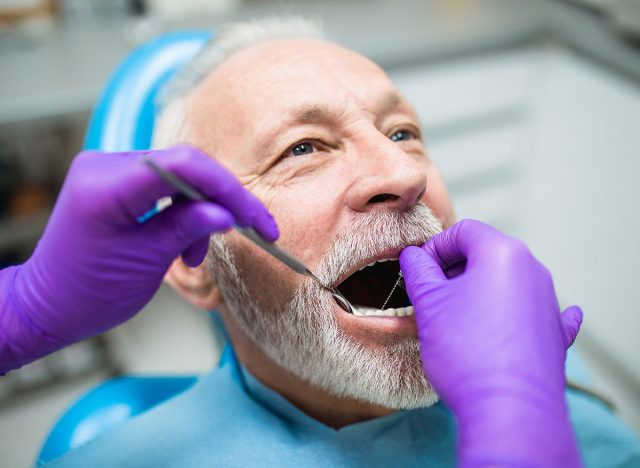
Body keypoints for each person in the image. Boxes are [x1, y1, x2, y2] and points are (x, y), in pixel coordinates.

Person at [1, 17, 638, 467]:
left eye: (403, 133)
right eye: (302, 148)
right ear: (193, 264)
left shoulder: (537, 353)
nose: (402, 175)